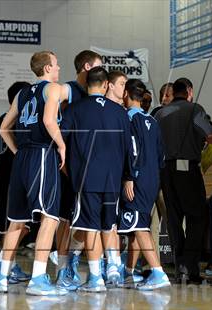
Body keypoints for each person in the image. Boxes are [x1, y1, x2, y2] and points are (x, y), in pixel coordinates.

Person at [0, 51, 68, 296]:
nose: (58, 67)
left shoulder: (22, 94)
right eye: (55, 64)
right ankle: (38, 279)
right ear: (46, 69)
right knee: (50, 218)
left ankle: (1, 278)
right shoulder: (53, 89)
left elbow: (4, 129)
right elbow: (48, 121)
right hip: (43, 154)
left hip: (22, 157)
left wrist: (17, 151)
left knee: (16, 221)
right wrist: (62, 146)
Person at [62, 66, 132, 292]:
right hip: (113, 179)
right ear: (105, 85)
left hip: (86, 179)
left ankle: (95, 278)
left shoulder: (74, 110)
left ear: (86, 85)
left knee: (89, 226)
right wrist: (128, 177)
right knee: (109, 224)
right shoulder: (120, 112)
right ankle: (114, 266)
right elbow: (129, 148)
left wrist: (69, 172)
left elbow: (61, 145)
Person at [155, 78, 212, 284]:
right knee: (197, 217)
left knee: (173, 219)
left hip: (164, 170)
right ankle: (188, 267)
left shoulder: (159, 113)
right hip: (186, 167)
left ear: (174, 93)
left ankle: (180, 266)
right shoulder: (194, 109)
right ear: (190, 91)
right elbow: (210, 136)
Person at [55, 50, 102, 291]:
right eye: (98, 65)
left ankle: (72, 257)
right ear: (86, 66)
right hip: (69, 167)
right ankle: (62, 268)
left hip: (90, 168)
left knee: (87, 221)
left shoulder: (94, 95)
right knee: (64, 219)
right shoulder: (69, 90)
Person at [118, 79, 171, 290]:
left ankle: (158, 273)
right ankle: (129, 272)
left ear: (127, 94)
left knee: (139, 228)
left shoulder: (129, 118)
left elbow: (132, 150)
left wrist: (129, 177)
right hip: (153, 178)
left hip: (137, 178)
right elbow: (161, 155)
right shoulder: (152, 121)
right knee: (136, 226)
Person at [0, 81, 32, 285]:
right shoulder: (20, 120)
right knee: (22, 225)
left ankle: (8, 264)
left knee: (17, 226)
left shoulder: (1, 119)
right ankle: (2, 263)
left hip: (3, 177)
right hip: (14, 177)